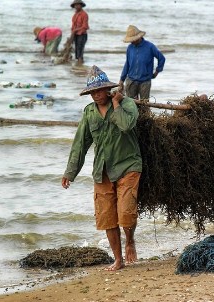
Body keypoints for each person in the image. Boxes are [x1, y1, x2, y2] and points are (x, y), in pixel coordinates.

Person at [62, 65, 142, 271]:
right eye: (92, 92)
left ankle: (130, 241)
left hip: (128, 164)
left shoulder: (128, 105)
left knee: (126, 212)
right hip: (103, 170)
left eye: (100, 91)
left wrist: (116, 104)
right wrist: (70, 173)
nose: (96, 95)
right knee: (107, 217)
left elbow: (126, 126)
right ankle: (118, 260)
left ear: (108, 90)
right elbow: (80, 144)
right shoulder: (89, 113)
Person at [119, 25, 165, 100]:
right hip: (131, 81)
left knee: (144, 105)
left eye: (133, 39)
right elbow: (127, 64)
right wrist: (121, 80)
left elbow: (161, 58)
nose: (132, 41)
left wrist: (157, 71)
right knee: (130, 105)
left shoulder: (150, 46)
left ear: (139, 37)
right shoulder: (130, 48)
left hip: (145, 81)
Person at [70, 0, 89, 65]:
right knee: (76, 50)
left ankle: (80, 62)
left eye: (78, 5)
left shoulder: (84, 14)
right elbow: (73, 26)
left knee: (80, 49)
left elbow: (85, 26)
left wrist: (75, 30)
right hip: (75, 35)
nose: (76, 6)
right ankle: (79, 63)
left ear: (81, 5)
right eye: (75, 5)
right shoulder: (75, 15)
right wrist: (72, 33)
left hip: (82, 34)